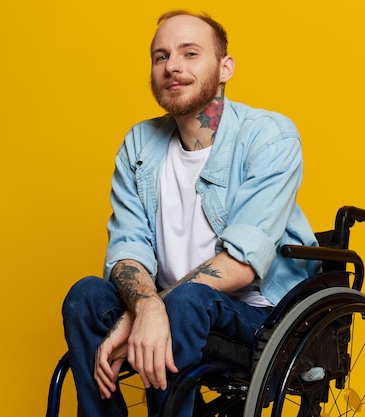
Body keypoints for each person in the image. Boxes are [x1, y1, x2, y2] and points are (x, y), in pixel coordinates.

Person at [61, 9, 321, 417]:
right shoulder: (139, 144)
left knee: (189, 300)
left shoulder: (269, 137)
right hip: (173, 306)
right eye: (161, 56)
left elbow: (241, 264)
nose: (173, 67)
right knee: (85, 297)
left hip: (255, 317)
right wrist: (145, 309)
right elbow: (127, 249)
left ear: (224, 67)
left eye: (190, 53)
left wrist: (153, 310)